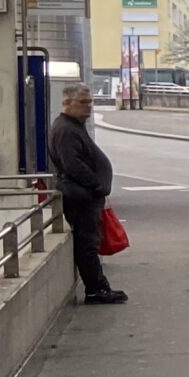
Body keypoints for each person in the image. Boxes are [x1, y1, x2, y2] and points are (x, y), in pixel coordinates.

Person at [47, 83, 126, 305]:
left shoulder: (73, 126)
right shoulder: (65, 130)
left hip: (85, 195)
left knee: (90, 242)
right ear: (67, 103)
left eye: (90, 102)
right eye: (83, 103)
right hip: (80, 197)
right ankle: (96, 289)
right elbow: (72, 164)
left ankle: (99, 287)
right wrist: (97, 186)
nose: (88, 107)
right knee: (87, 244)